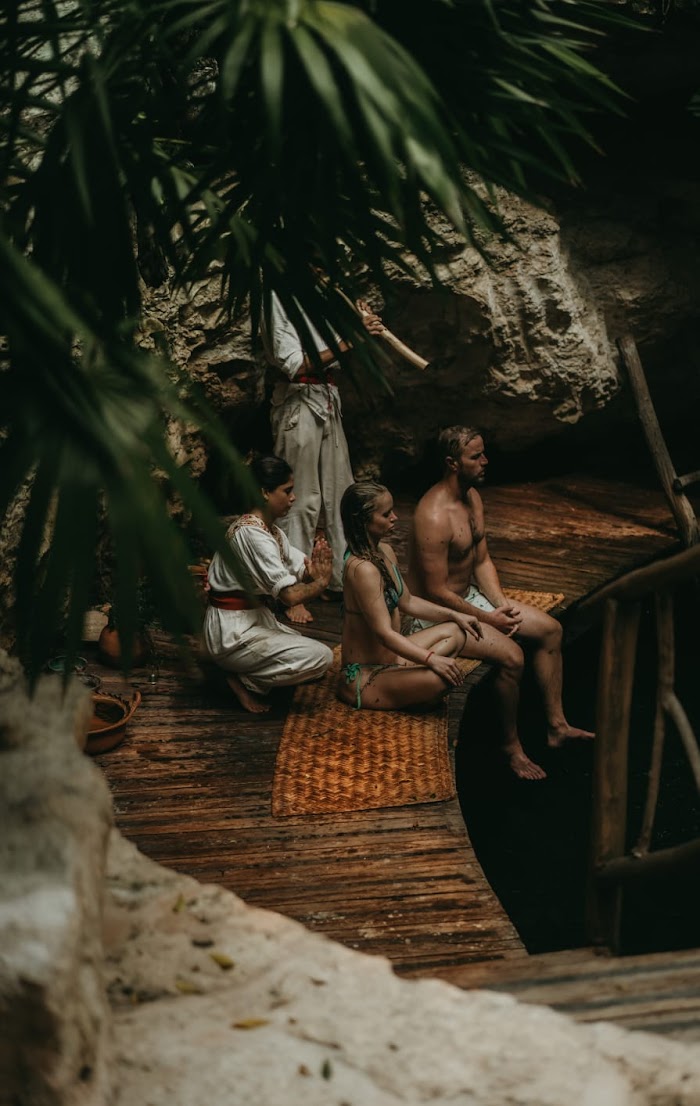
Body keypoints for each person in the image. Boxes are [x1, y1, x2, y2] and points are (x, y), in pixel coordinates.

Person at [406, 426, 594, 780]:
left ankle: (557, 726)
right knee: (512, 657)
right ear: (452, 463)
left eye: (483, 453)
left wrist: (500, 605)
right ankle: (511, 748)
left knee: (551, 629)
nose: (485, 461)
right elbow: (433, 591)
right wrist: (487, 619)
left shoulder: (473, 497)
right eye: (475, 456)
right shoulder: (432, 515)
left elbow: (481, 560)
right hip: (437, 615)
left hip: (470, 601)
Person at [262, 289, 384, 624]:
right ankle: (293, 591)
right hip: (297, 401)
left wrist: (357, 323)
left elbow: (334, 352)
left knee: (341, 492)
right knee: (298, 500)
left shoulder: (320, 296)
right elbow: (295, 363)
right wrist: (355, 337)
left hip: (327, 397)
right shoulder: (276, 298)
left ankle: (342, 579)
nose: (319, 272)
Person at [203, 454, 334, 713]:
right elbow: (289, 596)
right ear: (264, 492)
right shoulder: (252, 535)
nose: (293, 498)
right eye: (287, 491)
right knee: (322, 658)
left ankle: (237, 671)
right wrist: (322, 582)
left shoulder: (270, 532)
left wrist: (313, 570)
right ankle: (241, 681)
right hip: (231, 631)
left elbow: (298, 568)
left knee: (307, 659)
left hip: (252, 619)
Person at [336, 481, 483, 711]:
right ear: (363, 520)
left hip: (393, 659)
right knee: (442, 678)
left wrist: (456, 614)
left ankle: (408, 686)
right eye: (386, 514)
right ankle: (407, 688)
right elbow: (384, 634)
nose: (394, 517)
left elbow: (408, 601)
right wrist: (430, 659)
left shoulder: (385, 551)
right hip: (366, 674)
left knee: (457, 631)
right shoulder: (362, 569)